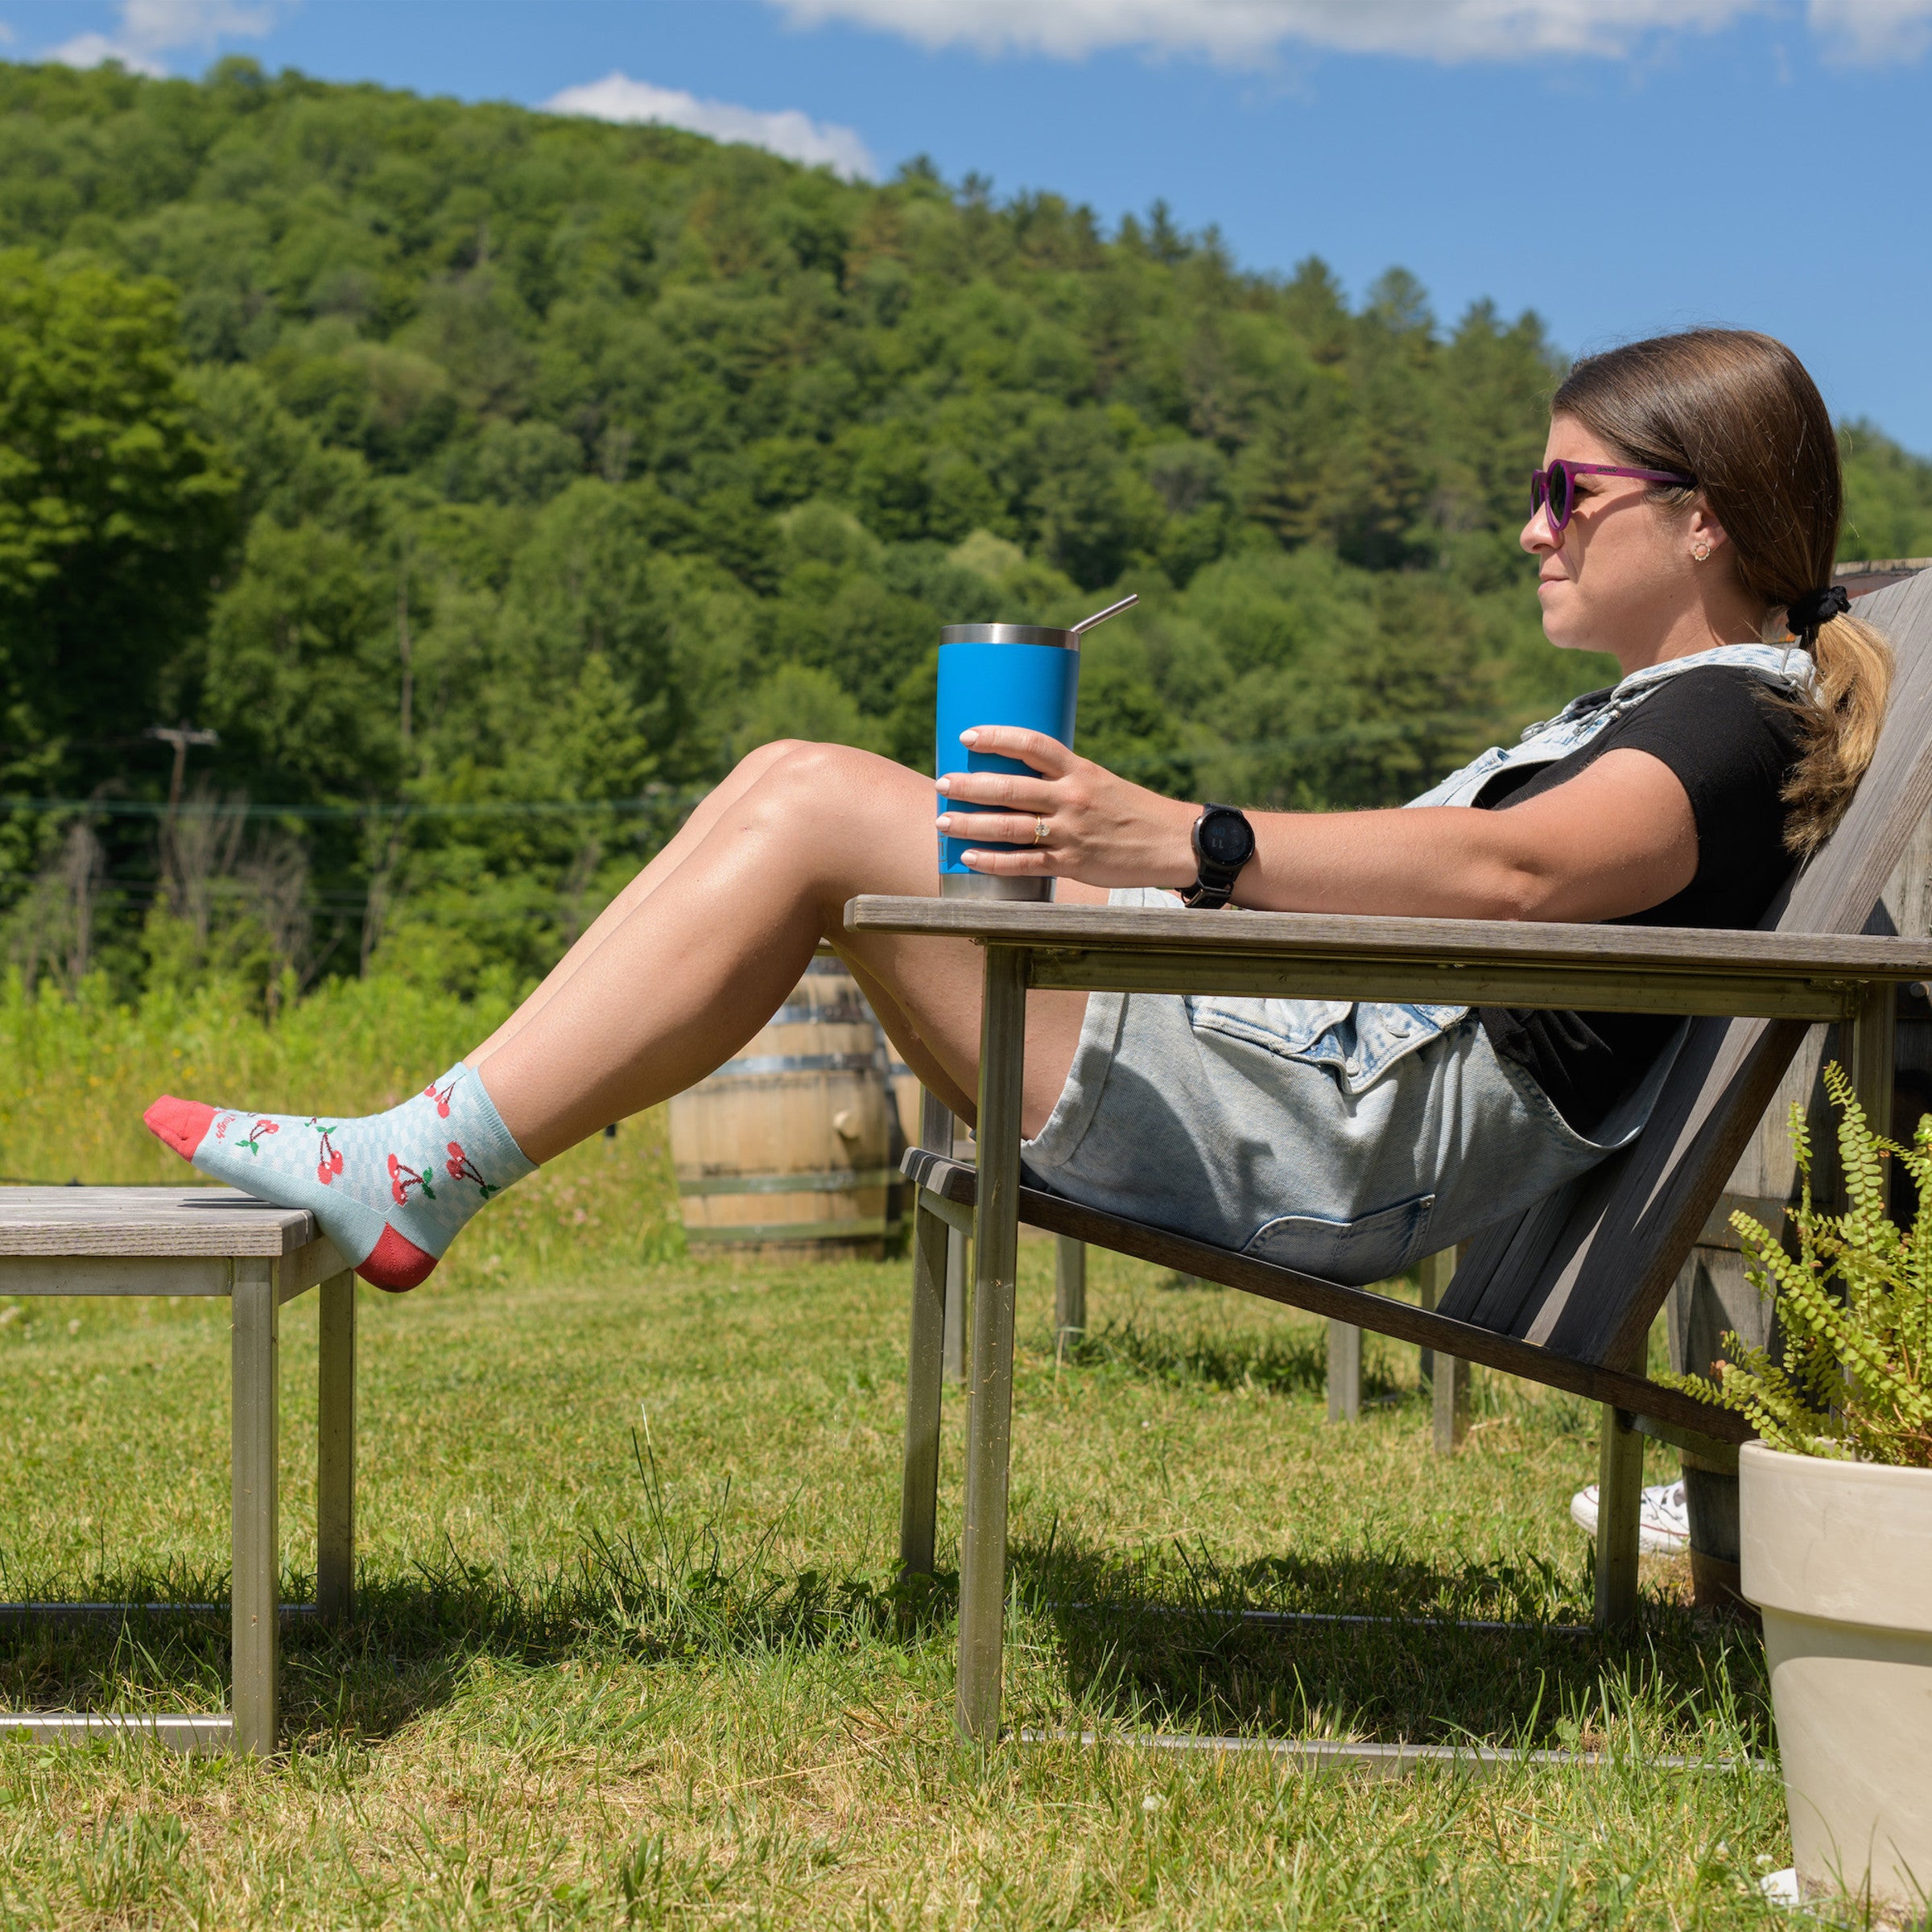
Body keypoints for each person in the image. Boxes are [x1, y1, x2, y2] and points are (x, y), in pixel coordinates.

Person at [143, 328, 1891, 1297]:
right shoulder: (1666, 711)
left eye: (1565, 492)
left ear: (1704, 518)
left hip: (1314, 1139)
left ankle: (423, 1164)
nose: (1531, 527)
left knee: (820, 803)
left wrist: (1190, 844)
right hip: (1284, 1061)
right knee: (805, 792)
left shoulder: (1733, 732)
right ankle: (424, 1154)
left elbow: (1520, 877)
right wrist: (1153, 871)